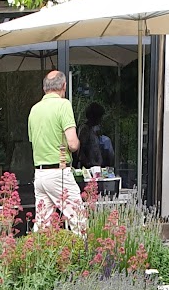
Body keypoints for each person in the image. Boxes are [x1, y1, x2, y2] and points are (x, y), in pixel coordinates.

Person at [28, 70, 85, 230]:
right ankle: (82, 248)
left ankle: (36, 248)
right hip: (58, 172)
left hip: (40, 175)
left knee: (42, 226)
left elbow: (33, 141)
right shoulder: (63, 105)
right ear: (64, 86)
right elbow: (73, 144)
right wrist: (77, 144)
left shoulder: (34, 109)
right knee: (78, 220)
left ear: (44, 88)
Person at [76, 102, 115, 171]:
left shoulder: (93, 129)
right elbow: (81, 150)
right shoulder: (85, 129)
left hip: (96, 165)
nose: (101, 120)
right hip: (90, 167)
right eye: (100, 117)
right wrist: (88, 164)